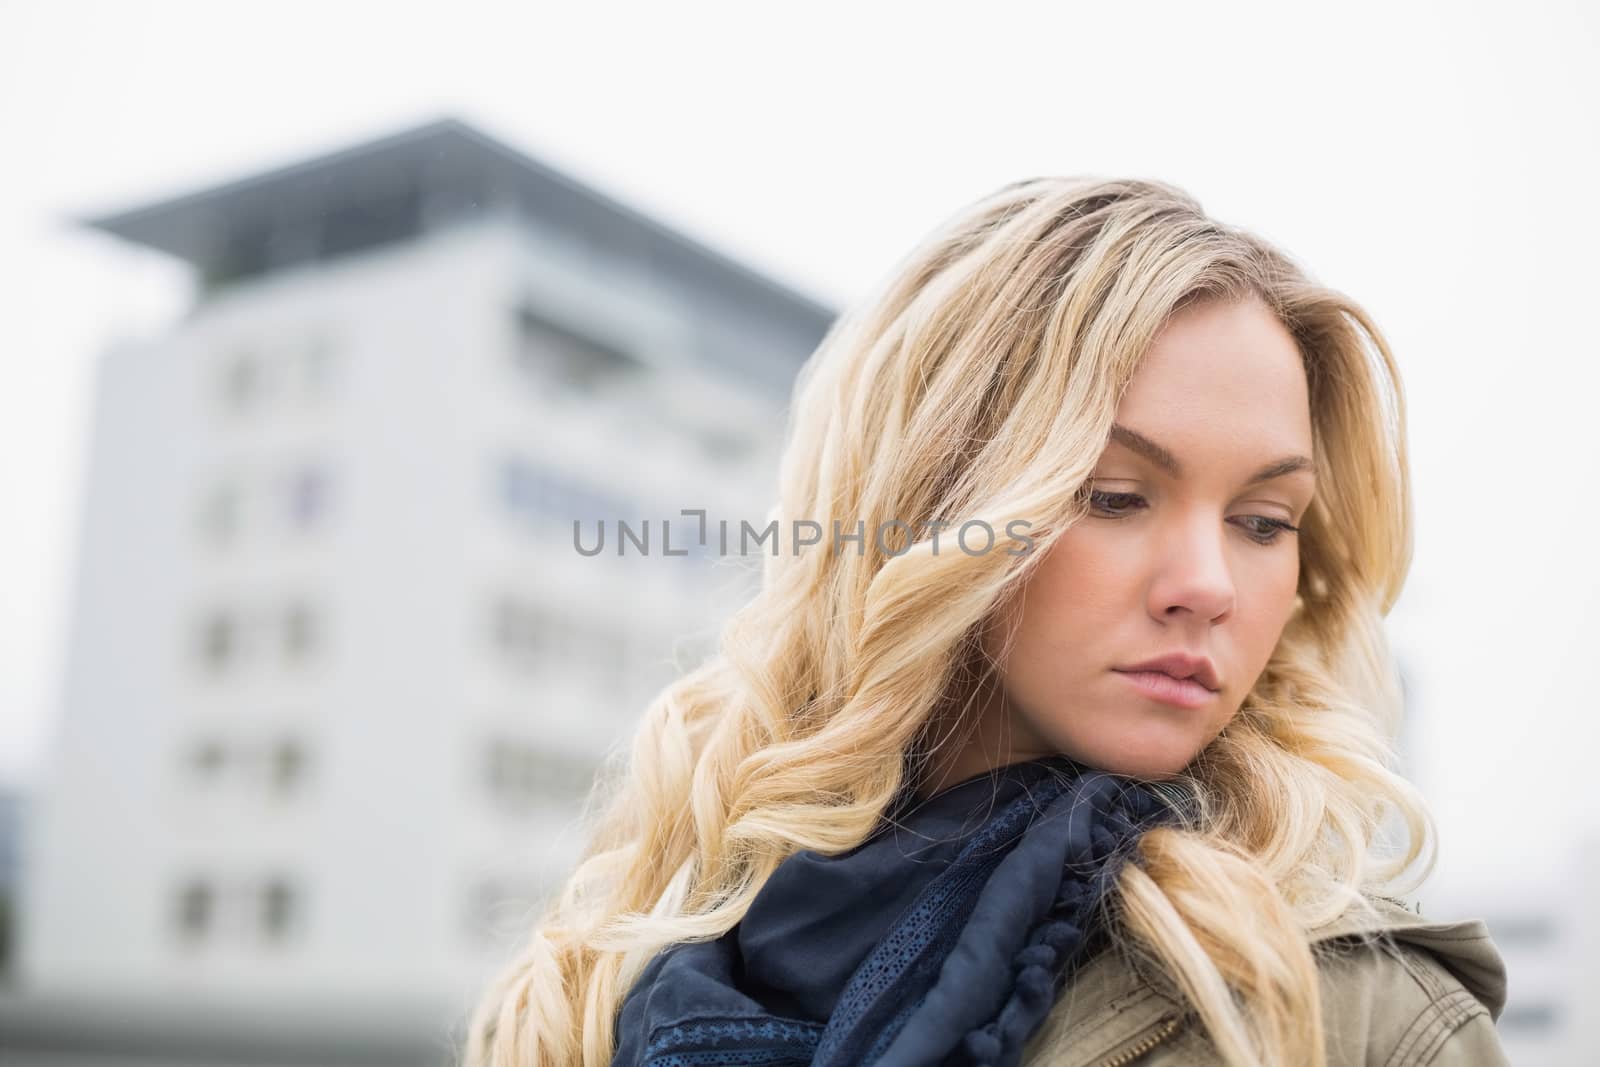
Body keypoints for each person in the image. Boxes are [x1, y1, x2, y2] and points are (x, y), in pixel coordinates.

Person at [459, 177, 1509, 1066]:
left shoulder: (1361, 1018)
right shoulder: (592, 980)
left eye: (1262, 520)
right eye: (1112, 495)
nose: (1206, 582)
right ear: (930, 507)